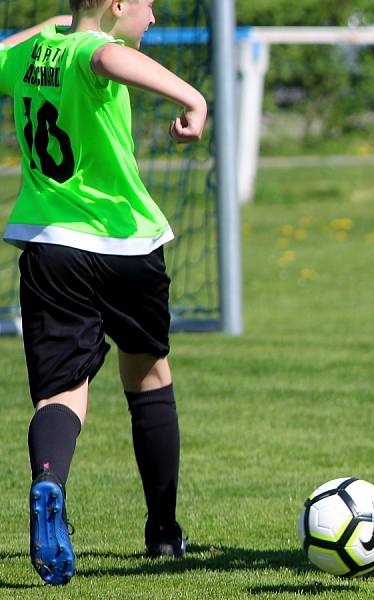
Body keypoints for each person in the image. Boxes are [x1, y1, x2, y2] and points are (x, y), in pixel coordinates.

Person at [0, 0, 207, 586]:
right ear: (117, 5)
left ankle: (48, 480)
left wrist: (53, 25)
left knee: (62, 393)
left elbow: (15, 51)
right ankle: (164, 533)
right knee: (148, 376)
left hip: (49, 245)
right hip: (126, 247)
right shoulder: (97, 52)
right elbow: (109, 56)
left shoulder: (30, 56)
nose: (155, 18)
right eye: (148, 6)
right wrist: (195, 100)